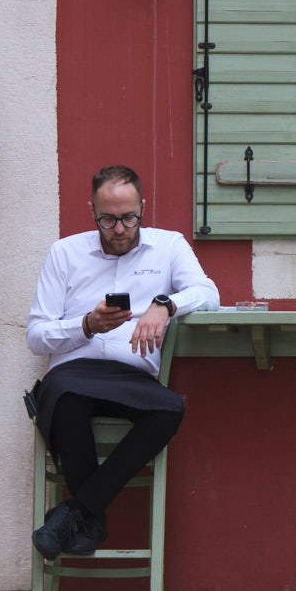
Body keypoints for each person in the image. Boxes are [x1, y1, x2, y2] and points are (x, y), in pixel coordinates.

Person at [25, 165, 219, 559]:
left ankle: (76, 513)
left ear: (142, 208)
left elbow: (208, 292)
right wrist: (87, 325)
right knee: (65, 396)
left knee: (169, 408)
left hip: (130, 377)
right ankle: (89, 519)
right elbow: (36, 335)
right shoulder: (65, 253)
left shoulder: (168, 246)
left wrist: (165, 305)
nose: (119, 229)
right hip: (75, 375)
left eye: (129, 218)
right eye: (108, 219)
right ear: (92, 211)